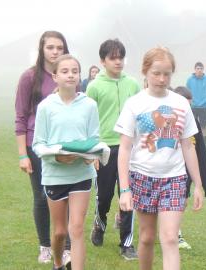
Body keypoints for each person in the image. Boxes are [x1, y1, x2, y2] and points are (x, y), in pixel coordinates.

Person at [115, 47, 204, 270]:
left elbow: (188, 146)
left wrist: (199, 186)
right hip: (142, 177)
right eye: (156, 73)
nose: (162, 79)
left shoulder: (181, 104)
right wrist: (125, 189)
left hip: (174, 178)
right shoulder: (134, 104)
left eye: (167, 74)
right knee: (146, 237)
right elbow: (124, 149)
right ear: (145, 71)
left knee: (170, 237)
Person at [32, 54, 99, 270]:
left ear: (80, 75)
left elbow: (94, 140)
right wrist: (57, 156)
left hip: (82, 174)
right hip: (54, 175)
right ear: (55, 76)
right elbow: (38, 144)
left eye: (74, 71)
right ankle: (58, 262)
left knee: (76, 229)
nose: (70, 75)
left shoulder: (89, 105)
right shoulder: (45, 107)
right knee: (60, 231)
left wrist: (91, 154)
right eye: (65, 71)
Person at [14, 30, 71, 265]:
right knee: (41, 197)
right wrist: (22, 155)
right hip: (36, 147)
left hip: (63, 146)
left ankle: (66, 247)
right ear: (42, 49)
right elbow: (20, 117)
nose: (55, 51)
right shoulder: (29, 77)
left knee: (64, 196)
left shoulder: (67, 74)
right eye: (50, 47)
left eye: (59, 47)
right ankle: (45, 246)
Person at [86, 39, 140, 259]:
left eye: (121, 57)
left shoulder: (133, 84)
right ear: (103, 60)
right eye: (113, 58)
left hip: (129, 146)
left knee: (127, 194)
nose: (118, 62)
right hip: (105, 149)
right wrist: (93, 152)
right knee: (105, 196)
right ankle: (100, 223)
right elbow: (88, 121)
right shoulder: (94, 86)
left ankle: (126, 243)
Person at [172, 86, 206, 250]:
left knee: (182, 202)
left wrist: (203, 183)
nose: (187, 109)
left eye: (190, 105)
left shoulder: (192, 121)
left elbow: (198, 150)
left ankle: (176, 234)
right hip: (169, 168)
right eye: (185, 105)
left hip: (186, 168)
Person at [186, 62, 206, 146]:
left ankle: (204, 144)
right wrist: (189, 105)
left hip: (204, 107)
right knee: (192, 126)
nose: (199, 70)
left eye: (201, 68)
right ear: (195, 69)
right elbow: (187, 94)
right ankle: (193, 143)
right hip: (193, 107)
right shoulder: (190, 80)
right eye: (198, 68)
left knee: (203, 127)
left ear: (203, 69)